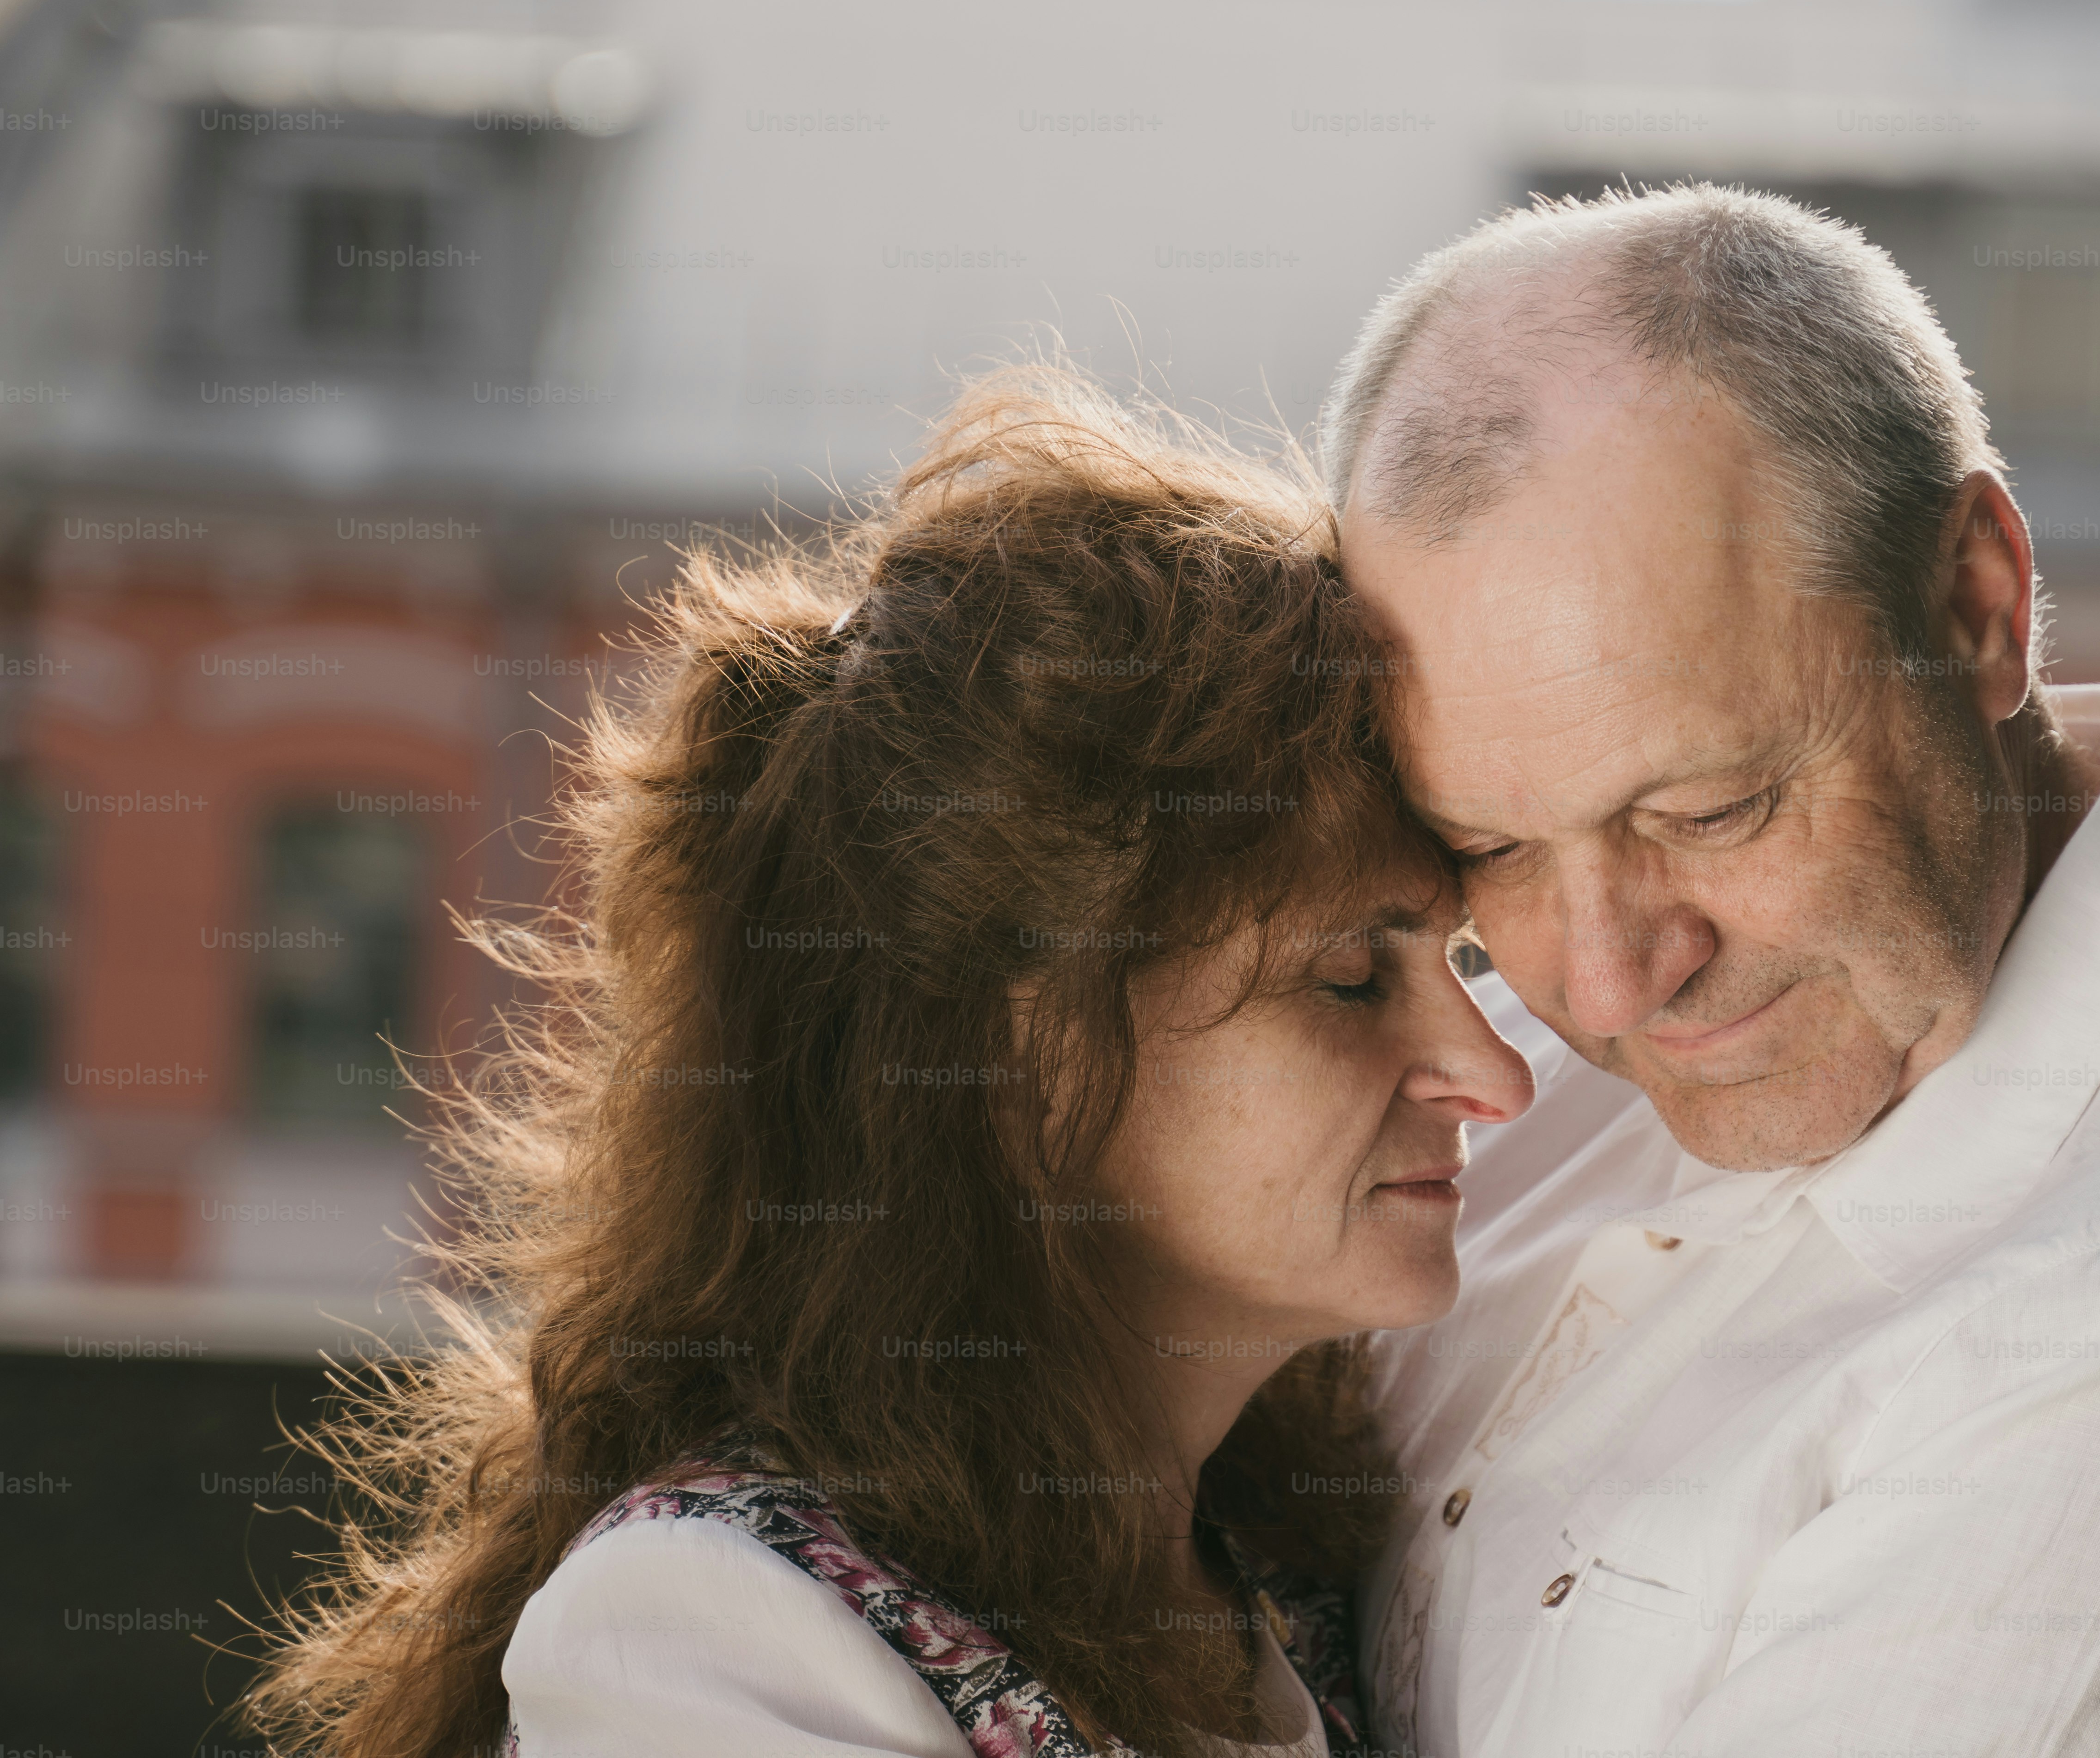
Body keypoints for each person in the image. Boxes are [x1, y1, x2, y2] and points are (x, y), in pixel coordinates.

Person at [1322, 184, 2100, 1758]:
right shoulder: (1489, 1052)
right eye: (1488, 850)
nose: (1608, 989)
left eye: (1712, 811)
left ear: (1977, 607)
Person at [246, 366, 1533, 1758]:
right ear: (1007, 1054)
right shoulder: (708, 1631)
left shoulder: (1294, 1569)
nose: (1494, 1076)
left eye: (1463, 963)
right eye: (1349, 979)